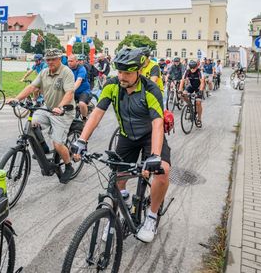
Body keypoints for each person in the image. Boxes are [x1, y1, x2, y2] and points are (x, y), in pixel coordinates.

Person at [72, 47, 170, 243]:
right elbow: (97, 114)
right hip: (127, 136)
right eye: (120, 72)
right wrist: (82, 140)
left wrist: (155, 155)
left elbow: (157, 124)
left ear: (139, 72)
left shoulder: (150, 89)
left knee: (162, 171)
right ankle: (114, 217)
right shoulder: (112, 85)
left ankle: (151, 217)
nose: (122, 77)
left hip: (150, 136)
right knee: (117, 178)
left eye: (127, 73)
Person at [9, 48, 76, 183]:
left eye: (53, 59)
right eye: (48, 59)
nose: (50, 62)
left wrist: (60, 107)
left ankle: (69, 166)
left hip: (63, 112)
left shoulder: (66, 72)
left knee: (57, 143)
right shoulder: (44, 72)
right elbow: (32, 87)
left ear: (59, 59)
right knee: (32, 123)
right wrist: (17, 98)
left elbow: (69, 93)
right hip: (48, 108)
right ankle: (44, 149)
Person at [179, 60, 205, 125]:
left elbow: (202, 82)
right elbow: (182, 80)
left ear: (196, 67)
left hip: (199, 87)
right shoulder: (187, 71)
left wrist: (200, 91)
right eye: (191, 68)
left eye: (194, 68)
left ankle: (199, 119)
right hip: (191, 86)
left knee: (198, 103)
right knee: (183, 94)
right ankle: (189, 105)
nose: (192, 69)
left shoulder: (199, 71)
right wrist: (180, 90)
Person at [68, 54, 91, 120]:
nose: (69, 63)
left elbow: (79, 80)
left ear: (77, 61)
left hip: (83, 91)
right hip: (72, 91)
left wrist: (72, 90)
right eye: (68, 61)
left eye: (71, 61)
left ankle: (84, 118)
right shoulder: (67, 69)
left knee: (82, 104)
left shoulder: (81, 69)